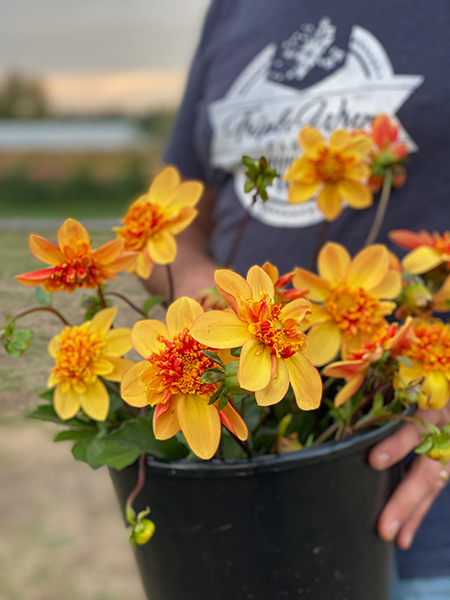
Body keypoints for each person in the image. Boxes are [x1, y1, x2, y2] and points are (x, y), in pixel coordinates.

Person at [147, 1, 450, 597]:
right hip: (239, 492)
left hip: (424, 505)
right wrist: (203, 295)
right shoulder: (233, 8)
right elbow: (178, 218)